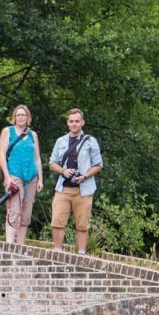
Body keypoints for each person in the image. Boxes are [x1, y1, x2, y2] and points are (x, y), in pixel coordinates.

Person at [47, 108, 104, 254]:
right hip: (63, 188)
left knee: (82, 224)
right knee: (57, 221)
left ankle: (81, 254)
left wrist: (84, 176)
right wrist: (63, 171)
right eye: (71, 121)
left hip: (83, 189)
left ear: (82, 122)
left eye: (77, 121)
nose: (74, 124)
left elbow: (98, 165)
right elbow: (52, 163)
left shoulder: (91, 141)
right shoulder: (61, 141)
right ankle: (58, 251)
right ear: (67, 123)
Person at [0, 104, 42, 244]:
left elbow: (37, 158)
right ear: (14, 117)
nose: (21, 117)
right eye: (18, 114)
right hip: (14, 174)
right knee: (14, 209)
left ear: (28, 117)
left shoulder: (33, 135)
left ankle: (20, 246)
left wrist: (41, 179)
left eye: (23, 114)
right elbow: (2, 154)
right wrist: (7, 176)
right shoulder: (8, 131)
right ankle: (10, 244)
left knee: (26, 211)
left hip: (31, 176)